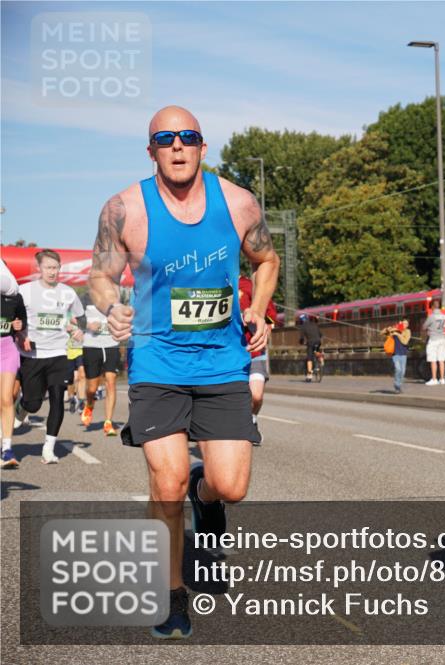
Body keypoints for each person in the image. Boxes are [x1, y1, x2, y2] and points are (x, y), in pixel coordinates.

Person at [88, 105, 279, 640]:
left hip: (222, 362)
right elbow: (101, 277)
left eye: (187, 137)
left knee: (230, 485)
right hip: (156, 362)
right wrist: (111, 306)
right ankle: (170, 595)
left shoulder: (238, 202)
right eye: (165, 138)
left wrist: (258, 309)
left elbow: (267, 260)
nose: (177, 146)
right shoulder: (124, 209)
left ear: (202, 146)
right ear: (151, 150)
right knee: (165, 481)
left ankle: (207, 495)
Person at [17, 250, 86, 465]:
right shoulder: (25, 291)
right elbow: (13, 317)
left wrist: (77, 329)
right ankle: (22, 407)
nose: (52, 272)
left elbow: (80, 318)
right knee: (34, 403)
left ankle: (49, 447)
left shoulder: (68, 293)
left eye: (55, 268)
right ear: (39, 268)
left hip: (59, 353)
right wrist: (20, 333)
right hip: (32, 354)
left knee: (57, 397)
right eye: (48, 267)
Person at [238, 274, 277, 444]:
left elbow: (271, 315)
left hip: (253, 350)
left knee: (256, 395)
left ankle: (252, 419)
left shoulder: (250, 286)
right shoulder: (213, 283)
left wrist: (265, 325)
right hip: (226, 352)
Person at [80, 293, 122, 436]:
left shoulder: (116, 299)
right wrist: (87, 325)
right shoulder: (85, 298)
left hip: (111, 345)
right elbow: (73, 318)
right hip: (91, 346)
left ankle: (108, 422)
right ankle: (89, 404)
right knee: (92, 388)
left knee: (111, 381)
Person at [1, 259, 27, 468]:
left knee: (7, 397)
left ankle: (7, 448)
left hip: (7, 348)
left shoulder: (15, 297)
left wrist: (18, 325)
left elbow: (22, 322)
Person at [380, 319, 411, 393]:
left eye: (406, 323)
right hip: (395, 354)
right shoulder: (394, 330)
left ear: (408, 325)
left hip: (403, 354)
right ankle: (397, 385)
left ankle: (399, 386)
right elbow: (381, 333)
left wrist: (398, 334)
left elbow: (405, 342)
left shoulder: (407, 331)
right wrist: (387, 329)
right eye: (403, 323)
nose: (404, 325)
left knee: (403, 372)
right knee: (398, 369)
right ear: (400, 323)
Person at [422, 299, 445, 385]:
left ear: (433, 306)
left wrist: (428, 329)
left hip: (433, 339)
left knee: (433, 360)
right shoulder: (443, 316)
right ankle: (442, 379)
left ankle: (434, 379)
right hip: (442, 339)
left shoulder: (431, 316)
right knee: (441, 360)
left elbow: (424, 327)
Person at [297, 313, 322, 382]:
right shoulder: (314, 324)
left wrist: (301, 342)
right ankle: (320, 358)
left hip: (311, 343)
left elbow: (302, 338)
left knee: (309, 358)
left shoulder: (303, 327)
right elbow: (320, 334)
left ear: (301, 321)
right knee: (316, 350)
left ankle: (309, 375)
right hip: (318, 341)